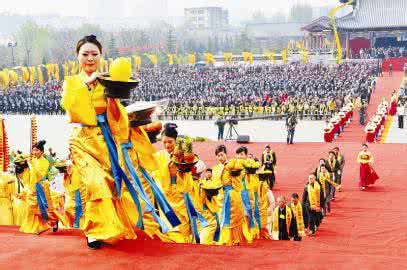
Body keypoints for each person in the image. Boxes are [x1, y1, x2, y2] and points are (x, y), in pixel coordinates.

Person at [61, 35, 137, 249]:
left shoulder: (107, 80)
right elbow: (71, 110)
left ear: (101, 56)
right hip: (82, 140)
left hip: (106, 140)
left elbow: (117, 116)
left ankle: (110, 227)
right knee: (93, 182)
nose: (90, 58)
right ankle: (94, 230)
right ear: (77, 57)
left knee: (110, 182)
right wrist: (86, 84)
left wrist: (113, 97)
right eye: (85, 54)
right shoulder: (72, 82)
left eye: (94, 54)